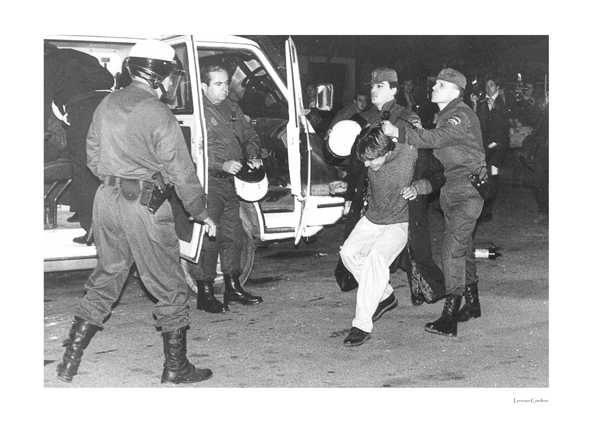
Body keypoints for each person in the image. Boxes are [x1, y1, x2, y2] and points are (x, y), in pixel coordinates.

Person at [56, 40, 217, 384]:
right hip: (144, 205)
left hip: (106, 201)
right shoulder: (158, 113)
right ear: (160, 75)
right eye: (173, 76)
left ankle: (68, 362)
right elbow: (181, 172)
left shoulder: (107, 103)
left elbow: (93, 157)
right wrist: (200, 211)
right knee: (169, 285)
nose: (175, 83)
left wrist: (116, 181)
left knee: (106, 278)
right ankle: (176, 368)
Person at [330, 67, 446, 308]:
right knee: (355, 253)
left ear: (394, 89)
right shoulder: (367, 120)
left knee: (406, 256)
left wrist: (419, 187)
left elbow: (424, 163)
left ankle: (373, 307)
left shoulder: (408, 120)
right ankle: (382, 294)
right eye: (372, 86)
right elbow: (360, 165)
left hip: (403, 202)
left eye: (379, 86)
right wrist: (349, 185)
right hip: (373, 203)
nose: (373, 90)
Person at [386, 68, 487, 337]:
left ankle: (449, 317)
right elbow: (437, 147)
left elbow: (437, 139)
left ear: (455, 91)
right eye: (435, 83)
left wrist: (400, 133)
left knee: (451, 249)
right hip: (452, 188)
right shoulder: (445, 116)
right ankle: (473, 303)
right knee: (463, 247)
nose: (434, 88)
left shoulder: (460, 115)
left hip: (467, 189)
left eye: (441, 85)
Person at [339, 125, 418, 346]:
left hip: (399, 223)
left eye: (372, 160)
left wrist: (419, 187)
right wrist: (344, 186)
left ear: (387, 151)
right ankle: (385, 295)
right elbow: (357, 175)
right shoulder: (368, 156)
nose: (367, 165)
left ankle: (361, 325)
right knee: (348, 253)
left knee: (376, 260)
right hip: (372, 218)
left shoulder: (409, 153)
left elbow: (435, 170)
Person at [196, 62, 264, 313]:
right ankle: (204, 293)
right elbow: (192, 152)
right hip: (209, 183)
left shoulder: (232, 108)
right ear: (204, 86)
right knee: (209, 240)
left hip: (231, 185)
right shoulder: (197, 113)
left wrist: (253, 154)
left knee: (233, 236)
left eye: (226, 83)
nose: (225, 89)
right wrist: (221, 164)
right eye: (218, 84)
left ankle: (233, 287)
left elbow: (251, 136)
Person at [44, 41, 114, 243]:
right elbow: (108, 79)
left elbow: (42, 98)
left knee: (81, 166)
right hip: (108, 105)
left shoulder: (46, 62)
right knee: (102, 162)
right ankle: (82, 209)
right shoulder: (83, 56)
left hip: (82, 109)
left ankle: (90, 229)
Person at [475, 76, 517, 222]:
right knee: (482, 173)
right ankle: (482, 205)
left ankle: (488, 208)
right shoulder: (481, 102)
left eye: (491, 85)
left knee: (493, 171)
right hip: (485, 145)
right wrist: (475, 105)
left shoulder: (504, 100)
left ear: (497, 87)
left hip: (499, 145)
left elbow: (510, 117)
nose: (488, 88)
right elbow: (478, 121)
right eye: (486, 85)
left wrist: (496, 107)